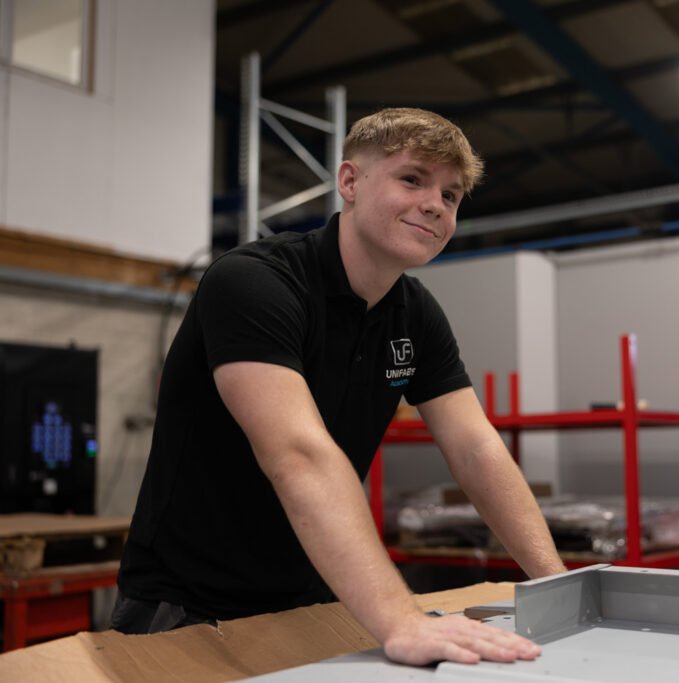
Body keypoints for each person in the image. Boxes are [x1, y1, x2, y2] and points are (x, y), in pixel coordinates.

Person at [112, 108, 566, 665]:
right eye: (412, 179)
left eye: (451, 196)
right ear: (350, 182)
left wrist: (557, 587)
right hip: (185, 604)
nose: (434, 204)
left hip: (312, 595)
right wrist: (401, 619)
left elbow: (476, 447)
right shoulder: (254, 282)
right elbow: (298, 455)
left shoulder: (415, 313)